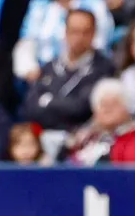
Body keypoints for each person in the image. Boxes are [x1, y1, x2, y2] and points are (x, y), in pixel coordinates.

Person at [18, 9, 115, 145]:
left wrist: (48, 101)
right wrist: (63, 104)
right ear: (65, 33)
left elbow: (81, 108)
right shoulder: (49, 67)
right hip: (42, 140)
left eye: (85, 32)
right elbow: (31, 107)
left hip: (80, 140)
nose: (79, 37)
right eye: (74, 31)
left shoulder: (104, 68)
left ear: (94, 34)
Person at [13, 0, 113, 82]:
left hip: (84, 75)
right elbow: (27, 43)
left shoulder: (95, 4)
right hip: (43, 76)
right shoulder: (38, 6)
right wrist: (30, 70)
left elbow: (100, 43)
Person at [63, 77, 135, 164]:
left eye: (114, 104)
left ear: (127, 108)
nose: (108, 109)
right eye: (103, 104)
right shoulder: (86, 138)